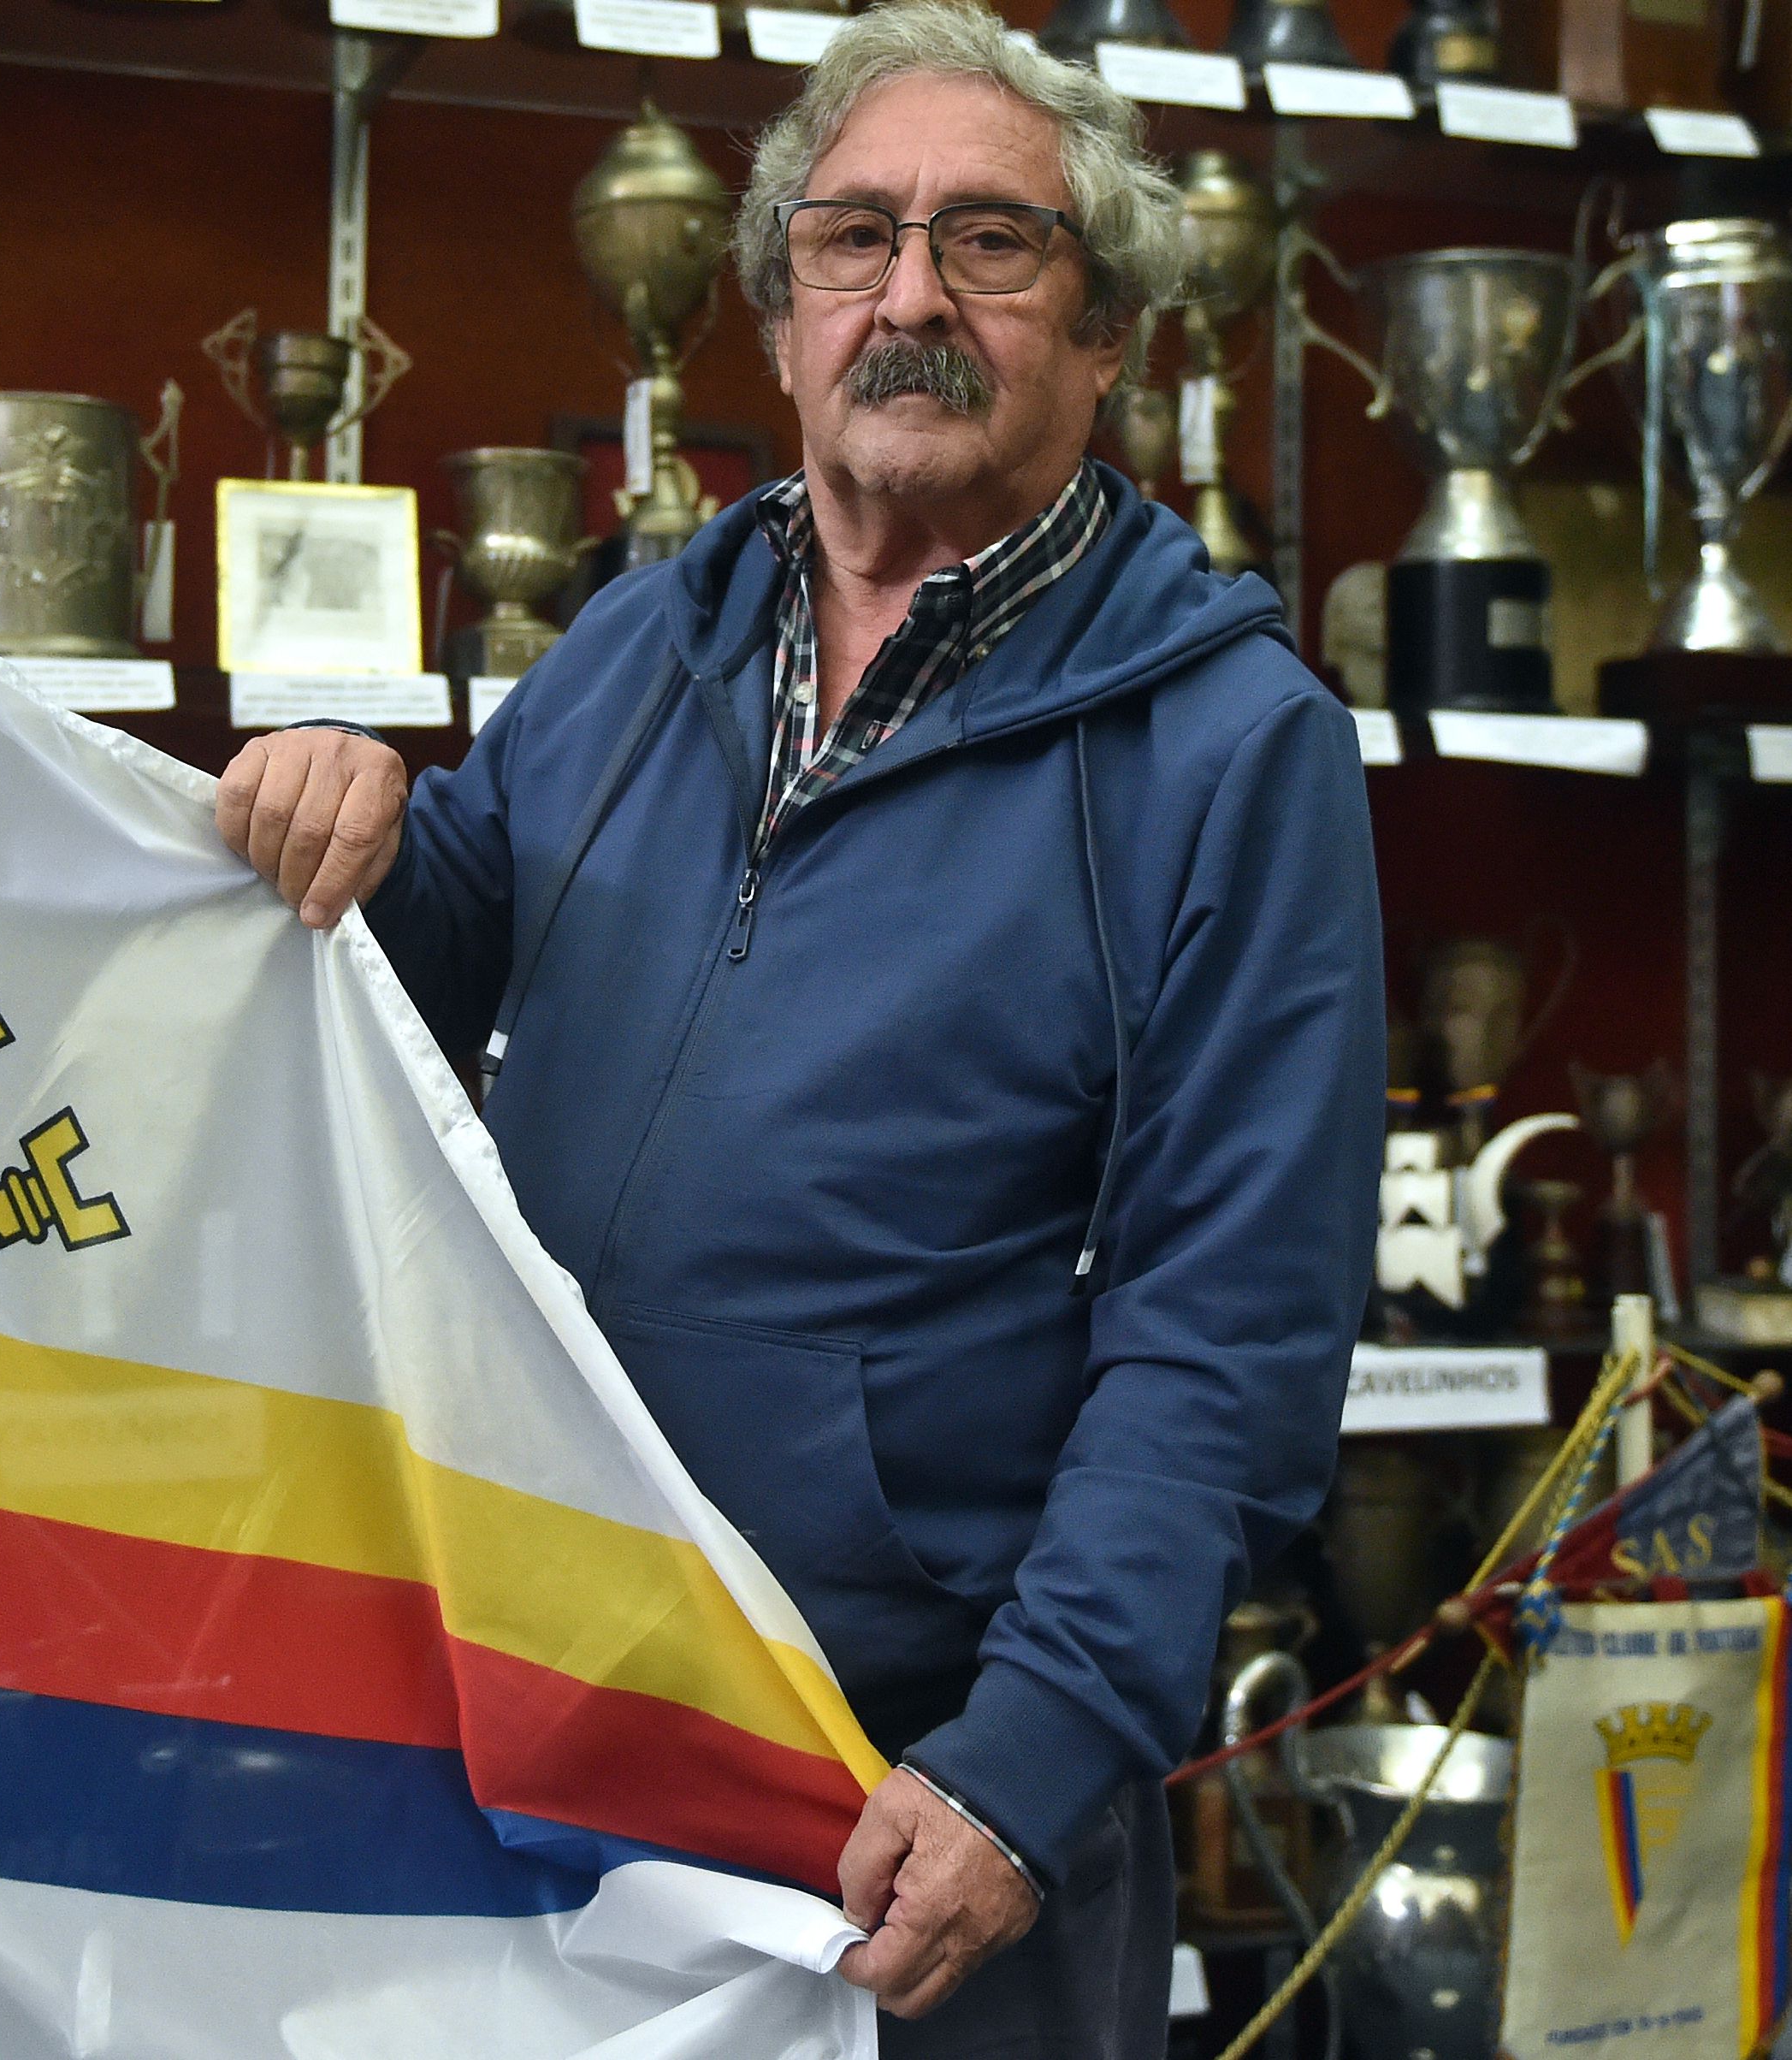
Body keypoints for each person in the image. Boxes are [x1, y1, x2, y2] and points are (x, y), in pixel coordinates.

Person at [214, 5, 1383, 2050]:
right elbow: (461, 928)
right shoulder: (657, 629)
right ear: (777, 321)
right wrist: (363, 811)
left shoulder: (1229, 748)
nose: (912, 293)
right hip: (554, 1708)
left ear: (1103, 335)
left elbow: (1228, 1329)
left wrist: (1032, 1755)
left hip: (902, 1800)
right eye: (855, 238)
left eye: (992, 245)